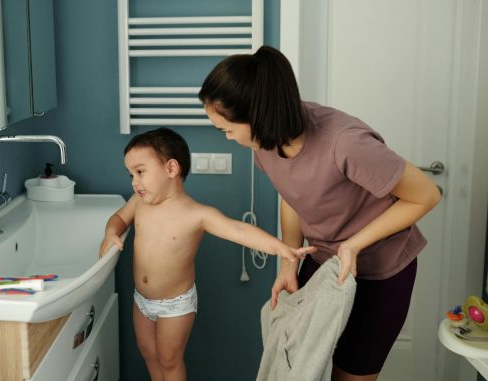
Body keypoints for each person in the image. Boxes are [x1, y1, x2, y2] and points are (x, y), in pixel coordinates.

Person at [198, 45, 441, 381]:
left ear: (257, 114)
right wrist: (288, 264)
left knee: (349, 375)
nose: (226, 137)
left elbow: (427, 196)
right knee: (297, 367)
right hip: (323, 261)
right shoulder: (267, 143)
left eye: (227, 128)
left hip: (379, 272)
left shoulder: (344, 142)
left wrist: (353, 245)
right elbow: (292, 196)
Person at [99, 127, 316, 381]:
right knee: (148, 352)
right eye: (131, 175)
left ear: (170, 169)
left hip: (175, 305)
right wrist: (110, 233)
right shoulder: (138, 203)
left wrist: (281, 247)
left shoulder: (196, 214)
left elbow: (238, 230)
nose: (134, 182)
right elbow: (118, 219)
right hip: (142, 300)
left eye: (140, 172)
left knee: (169, 358)